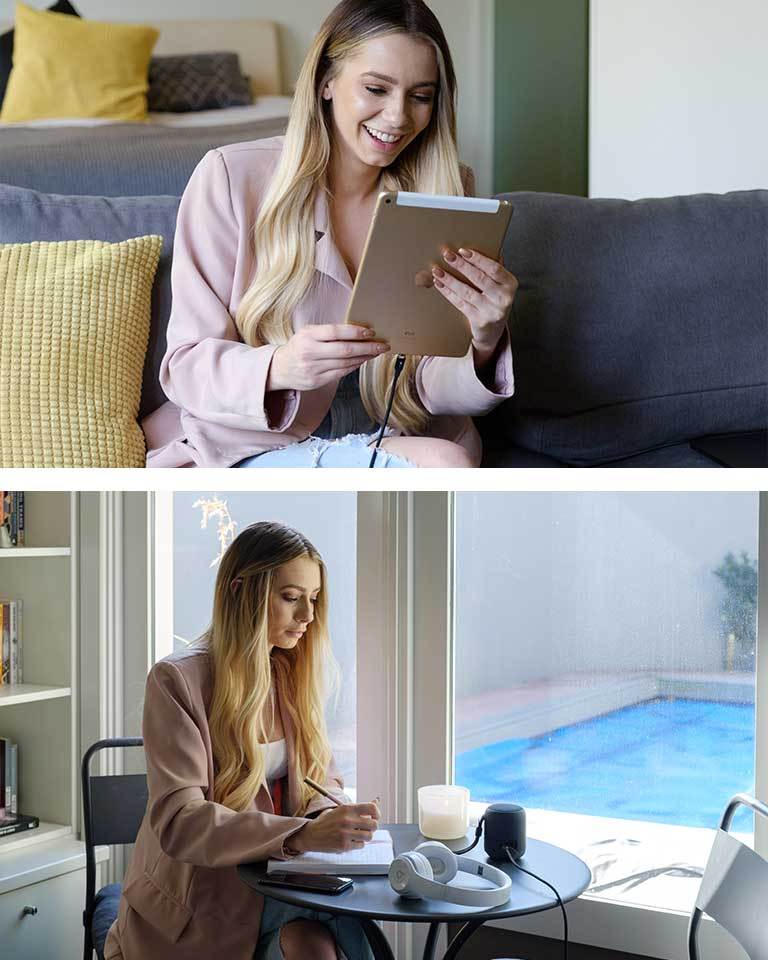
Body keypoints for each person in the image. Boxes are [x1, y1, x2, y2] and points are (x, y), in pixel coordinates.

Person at [145, 0, 518, 468]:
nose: (398, 117)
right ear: (325, 81)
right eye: (376, 88)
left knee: (447, 457)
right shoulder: (230, 176)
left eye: (420, 96)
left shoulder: (445, 191)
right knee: (445, 463)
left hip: (390, 434)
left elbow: (427, 385)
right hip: (257, 443)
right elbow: (185, 366)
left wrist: (484, 339)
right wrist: (281, 366)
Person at [104, 522, 378, 960]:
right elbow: (181, 821)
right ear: (240, 591)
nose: (307, 616)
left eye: (313, 600)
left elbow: (321, 780)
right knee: (336, 927)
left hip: (275, 881)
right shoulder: (178, 680)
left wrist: (335, 816)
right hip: (199, 902)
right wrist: (305, 835)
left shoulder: (291, 671)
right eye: (291, 598)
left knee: (330, 933)